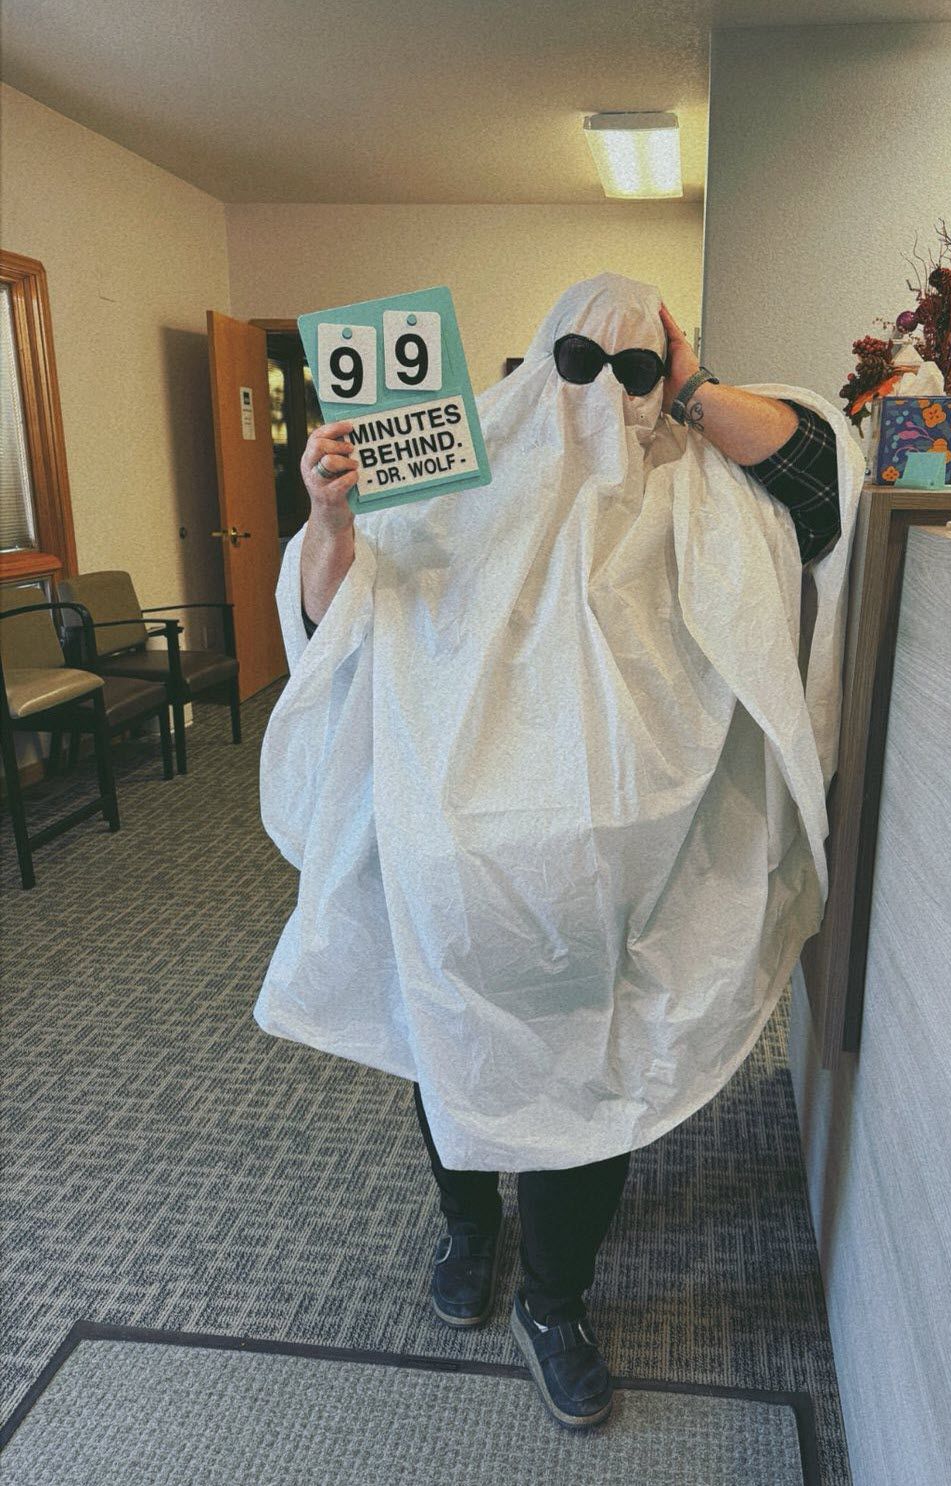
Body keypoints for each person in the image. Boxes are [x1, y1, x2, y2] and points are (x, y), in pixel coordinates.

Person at [256, 274, 863, 1432]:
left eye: (637, 374)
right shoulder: (456, 472)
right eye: (580, 366)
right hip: (457, 837)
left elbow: (817, 479)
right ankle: (469, 1227)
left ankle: (554, 1298)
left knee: (593, 1062)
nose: (605, 397)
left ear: (673, 375)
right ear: (538, 362)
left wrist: (687, 392)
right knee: (453, 1031)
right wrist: (332, 517)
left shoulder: (699, 481)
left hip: (621, 859)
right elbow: (343, 614)